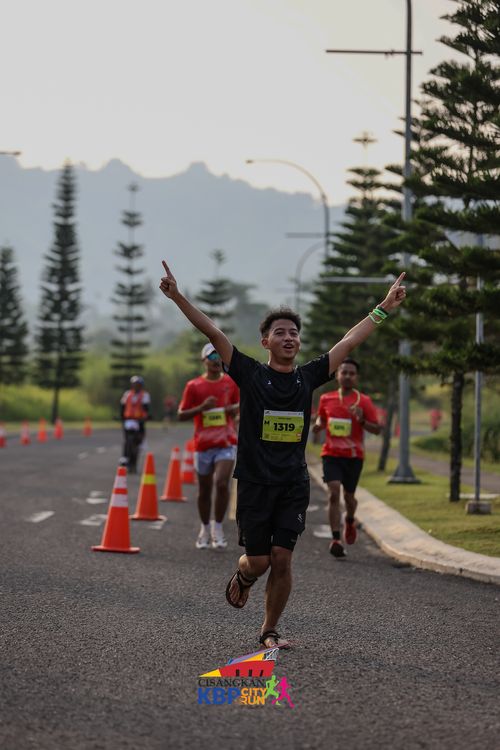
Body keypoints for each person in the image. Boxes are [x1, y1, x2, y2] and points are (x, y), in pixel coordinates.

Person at [159, 260, 406, 649]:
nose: (289, 337)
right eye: (280, 332)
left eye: (294, 333)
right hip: (255, 483)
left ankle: (269, 630)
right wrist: (177, 297)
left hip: (292, 483)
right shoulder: (250, 374)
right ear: (265, 342)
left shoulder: (308, 376)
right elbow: (212, 331)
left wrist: (384, 307)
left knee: (283, 558)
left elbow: (348, 342)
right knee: (258, 561)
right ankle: (244, 576)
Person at [312, 358, 382, 559]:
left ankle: (350, 519)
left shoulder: (364, 401)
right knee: (334, 493)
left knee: (349, 497)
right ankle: (335, 539)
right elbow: (321, 418)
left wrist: (362, 420)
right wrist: (318, 425)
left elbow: (377, 429)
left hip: (353, 456)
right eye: (344, 372)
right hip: (331, 454)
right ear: (337, 375)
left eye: (352, 373)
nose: (348, 376)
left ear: (356, 377)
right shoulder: (326, 398)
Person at [178, 342, 240, 550]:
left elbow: (242, 405)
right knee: (204, 490)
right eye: (212, 357)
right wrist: (202, 407)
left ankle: (218, 528)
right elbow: (181, 415)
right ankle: (205, 528)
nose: (216, 361)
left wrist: (233, 410)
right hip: (203, 445)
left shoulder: (231, 383)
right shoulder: (194, 386)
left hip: (226, 442)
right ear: (203, 360)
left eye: (219, 357)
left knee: (222, 483)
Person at [120, 375, 151, 473]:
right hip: (128, 420)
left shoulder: (144, 395)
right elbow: (122, 407)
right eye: (134, 384)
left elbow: (146, 408)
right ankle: (124, 458)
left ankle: (133, 462)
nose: (136, 386)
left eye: (138, 385)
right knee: (127, 440)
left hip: (139, 421)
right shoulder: (127, 394)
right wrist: (122, 417)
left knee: (138, 442)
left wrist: (145, 417)